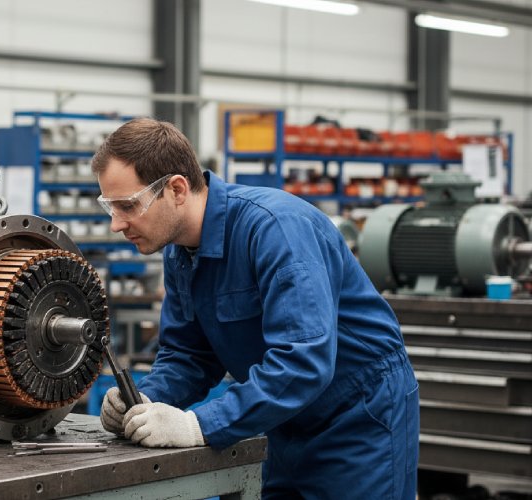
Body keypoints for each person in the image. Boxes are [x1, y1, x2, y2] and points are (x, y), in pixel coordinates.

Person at [93, 117, 419, 499]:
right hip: (283, 418)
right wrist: (147, 400)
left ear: (177, 189)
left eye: (128, 205)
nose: (116, 224)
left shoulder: (276, 230)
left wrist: (198, 425)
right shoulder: (180, 254)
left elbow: (304, 361)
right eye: (109, 207)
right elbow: (189, 354)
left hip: (358, 419)